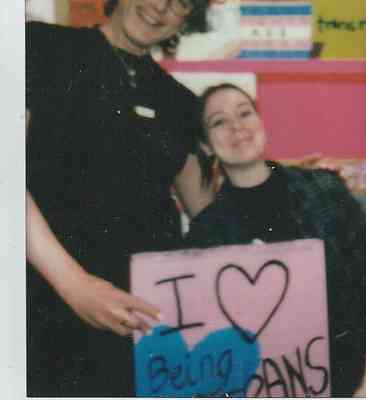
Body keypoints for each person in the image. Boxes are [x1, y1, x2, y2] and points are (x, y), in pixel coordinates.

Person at [26, 0, 213, 396]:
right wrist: (74, 285)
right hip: (42, 307)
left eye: (180, 2)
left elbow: (209, 212)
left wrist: (282, 177)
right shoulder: (41, 47)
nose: (160, 7)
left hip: (142, 322)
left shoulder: (178, 101)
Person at [185, 83, 366, 397]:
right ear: (206, 145)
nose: (236, 126)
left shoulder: (326, 190)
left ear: (260, 122)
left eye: (245, 113)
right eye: (219, 121)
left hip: (354, 381)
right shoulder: (205, 234)